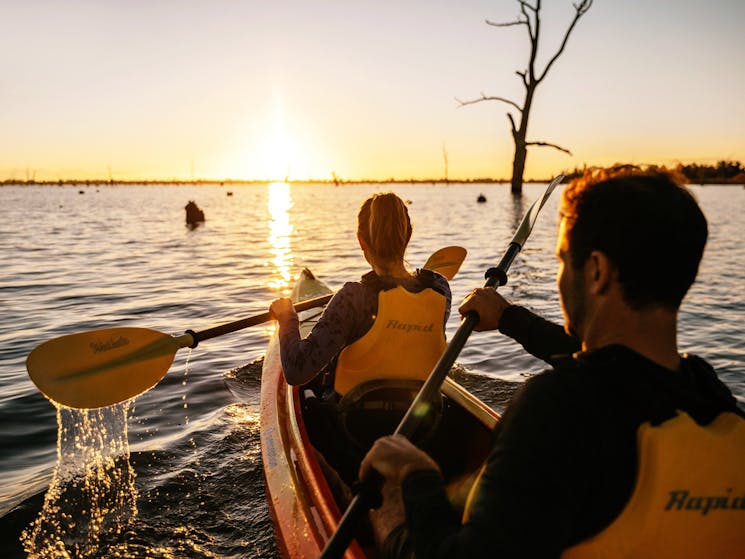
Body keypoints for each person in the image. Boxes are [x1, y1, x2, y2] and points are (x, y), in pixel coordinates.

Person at [360, 167, 745, 558]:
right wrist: (510, 318)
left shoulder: (556, 408)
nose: (560, 277)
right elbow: (620, 371)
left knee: (384, 502)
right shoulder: (714, 399)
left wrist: (414, 476)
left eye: (563, 261)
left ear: (597, 271)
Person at [269, 191, 452, 481]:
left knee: (307, 405)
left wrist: (287, 318)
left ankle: (339, 485)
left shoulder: (354, 298)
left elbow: (295, 370)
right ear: (408, 235)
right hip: (421, 426)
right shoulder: (440, 289)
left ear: (361, 241)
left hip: (355, 434)